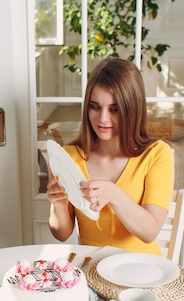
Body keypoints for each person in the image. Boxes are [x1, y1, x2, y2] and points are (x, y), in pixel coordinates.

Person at [47, 58, 174, 256]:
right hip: (92, 269)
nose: (103, 118)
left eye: (114, 109)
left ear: (132, 109)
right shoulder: (68, 157)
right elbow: (61, 234)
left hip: (142, 269)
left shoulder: (157, 154)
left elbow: (150, 232)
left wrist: (113, 194)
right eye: (95, 107)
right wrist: (59, 207)